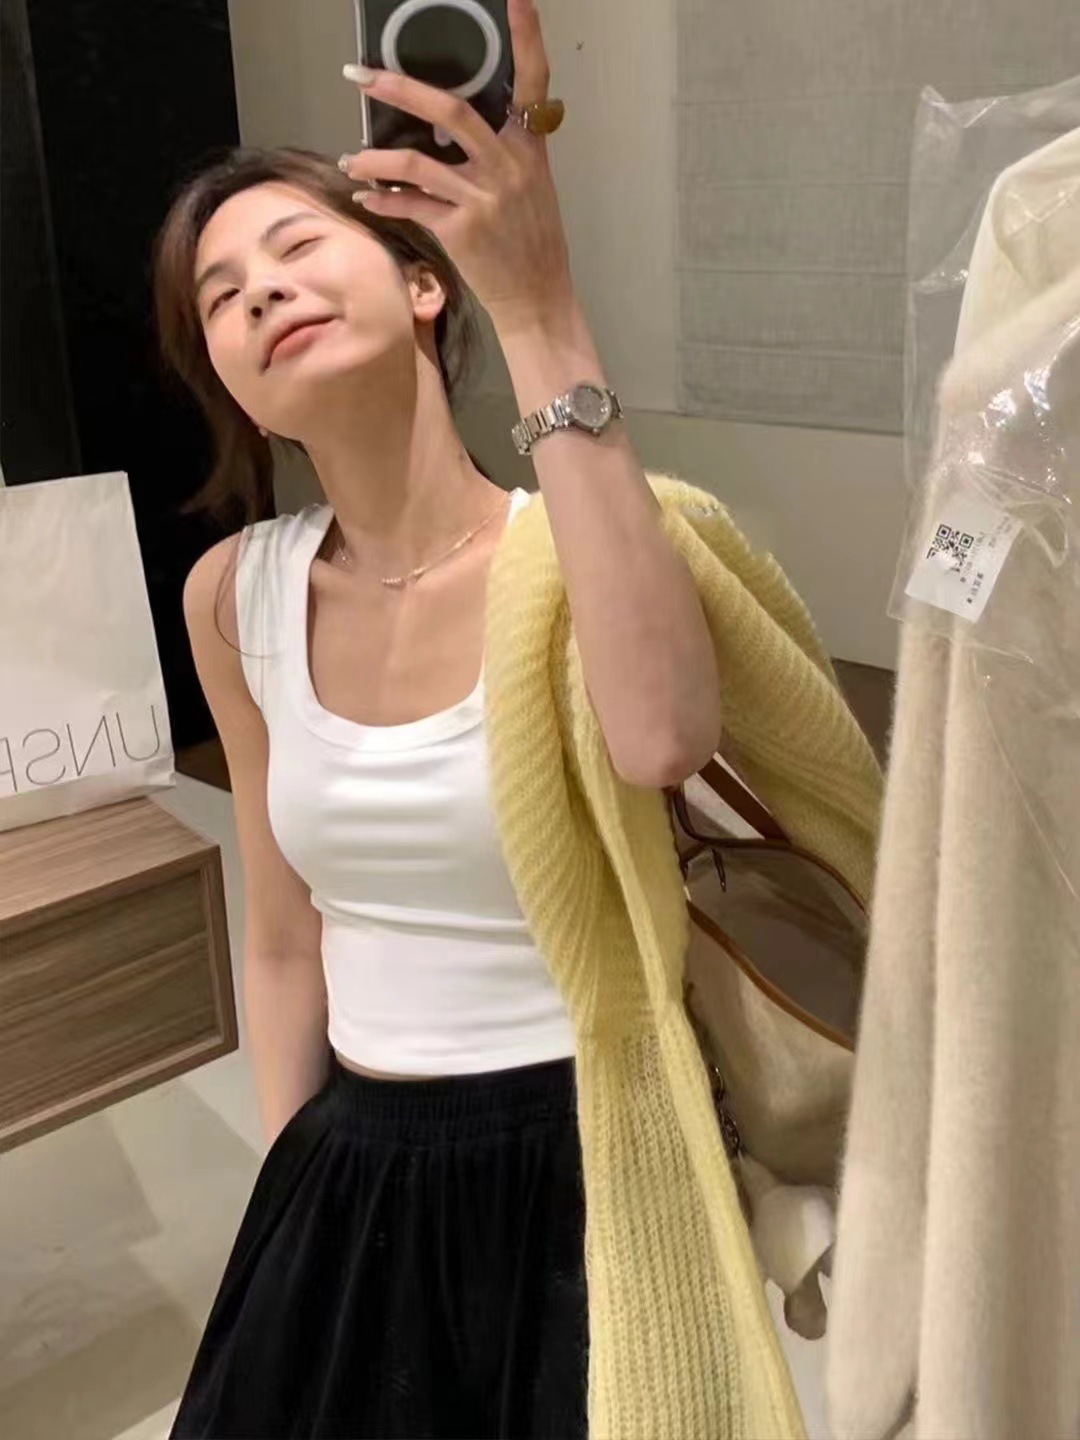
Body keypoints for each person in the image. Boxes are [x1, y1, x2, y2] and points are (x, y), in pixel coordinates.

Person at [158, 2, 723, 1435]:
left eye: (297, 248)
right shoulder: (234, 597)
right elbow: (284, 937)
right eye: (222, 296)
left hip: (590, 1154)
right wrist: (289, 1200)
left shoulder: (578, 541)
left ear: (422, 282)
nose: (261, 293)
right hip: (356, 1157)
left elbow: (664, 740)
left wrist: (537, 302)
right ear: (234, 387)